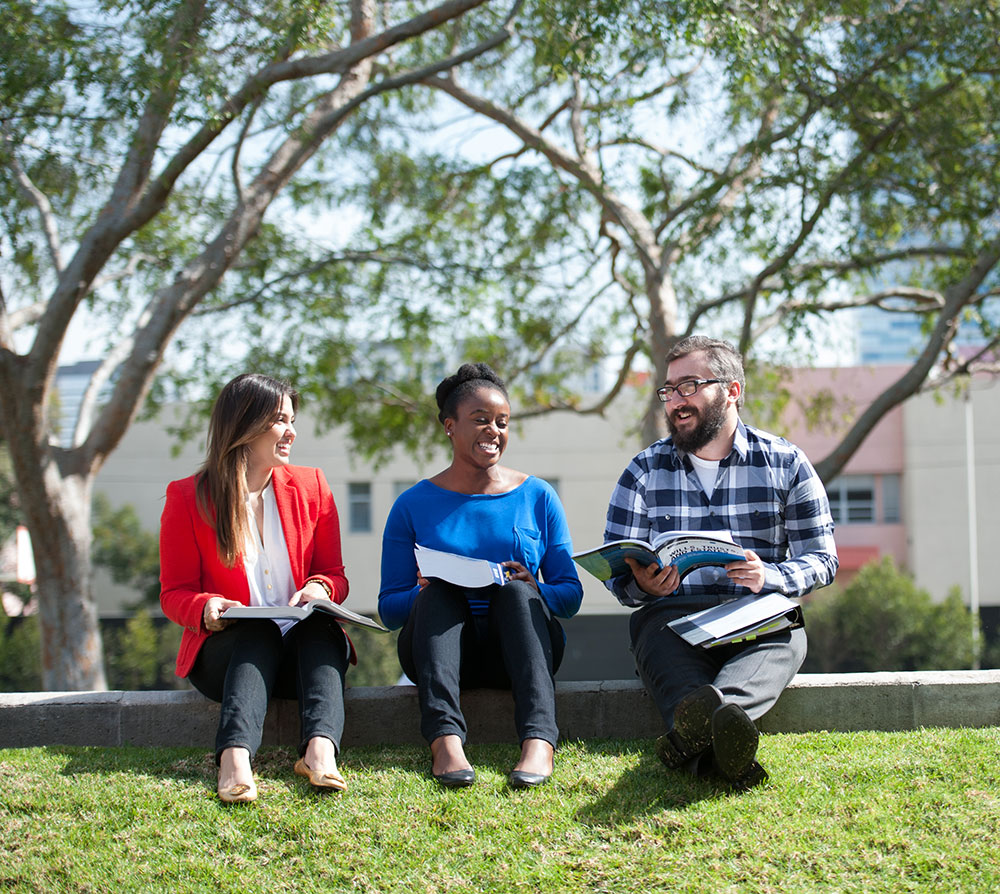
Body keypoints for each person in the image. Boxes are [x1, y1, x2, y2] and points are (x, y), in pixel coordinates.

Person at [603, 336, 837, 790]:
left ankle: (695, 742)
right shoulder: (642, 470)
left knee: (783, 643)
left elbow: (823, 559)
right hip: (672, 620)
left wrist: (770, 575)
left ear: (731, 390)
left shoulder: (785, 462)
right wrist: (643, 587)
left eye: (688, 386)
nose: (675, 401)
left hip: (759, 614)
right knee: (658, 643)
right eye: (669, 390)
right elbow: (618, 571)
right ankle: (725, 751)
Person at [378, 362, 583, 789]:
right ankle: (446, 742)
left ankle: (539, 741)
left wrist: (536, 587)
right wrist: (421, 592)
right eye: (480, 420)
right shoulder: (412, 504)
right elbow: (389, 611)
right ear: (450, 426)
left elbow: (571, 595)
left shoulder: (538, 496)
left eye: (502, 422)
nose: (494, 430)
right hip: (442, 654)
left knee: (516, 596)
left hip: (522, 651)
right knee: (438, 597)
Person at [159, 373, 354, 803]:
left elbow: (335, 574)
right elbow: (174, 592)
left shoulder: (312, 486)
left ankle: (320, 753)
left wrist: (320, 589)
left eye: (291, 419)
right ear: (246, 425)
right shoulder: (188, 497)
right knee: (259, 627)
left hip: (302, 658)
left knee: (320, 626)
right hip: (229, 658)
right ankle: (235, 760)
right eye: (280, 420)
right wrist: (207, 605)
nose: (292, 432)